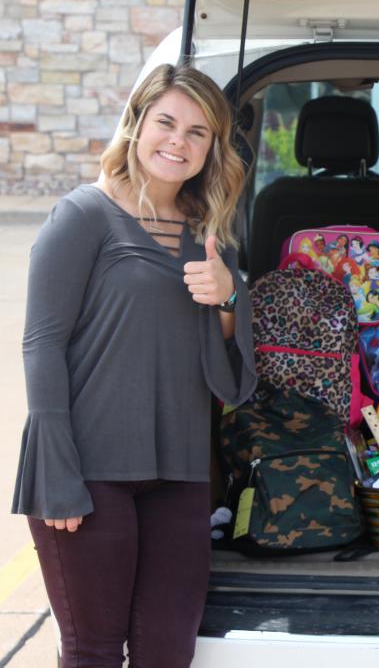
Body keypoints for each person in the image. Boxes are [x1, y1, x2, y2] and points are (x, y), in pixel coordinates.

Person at [12, 63, 257, 668]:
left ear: (213, 148)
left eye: (199, 132)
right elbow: (41, 346)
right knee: (93, 651)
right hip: (90, 471)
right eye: (167, 122)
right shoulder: (83, 216)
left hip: (179, 473)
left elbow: (227, 378)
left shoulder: (208, 235)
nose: (179, 141)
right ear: (137, 123)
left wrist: (229, 296)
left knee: (167, 653)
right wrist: (55, 476)